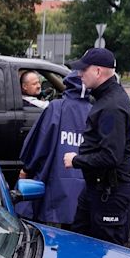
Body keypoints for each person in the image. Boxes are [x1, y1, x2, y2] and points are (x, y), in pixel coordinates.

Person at [64, 48, 130, 245]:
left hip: (110, 193)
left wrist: (76, 160)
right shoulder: (105, 98)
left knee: (108, 254)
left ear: (97, 71)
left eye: (83, 70)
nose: (79, 74)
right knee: (80, 241)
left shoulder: (111, 106)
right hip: (96, 188)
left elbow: (111, 156)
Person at [15, 71, 92, 227]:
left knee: (49, 233)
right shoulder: (94, 110)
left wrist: (27, 168)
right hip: (85, 186)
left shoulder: (56, 108)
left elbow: (39, 143)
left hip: (55, 183)